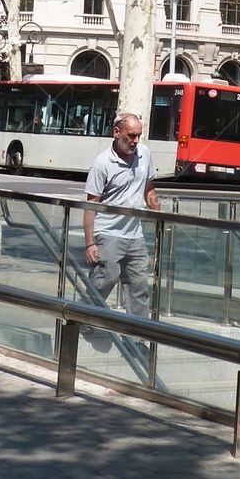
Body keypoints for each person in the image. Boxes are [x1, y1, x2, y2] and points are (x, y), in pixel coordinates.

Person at [84, 112, 160, 323]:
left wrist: (157, 209)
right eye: (131, 135)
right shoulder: (102, 163)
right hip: (108, 232)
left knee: (139, 287)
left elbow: (149, 188)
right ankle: (83, 320)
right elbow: (91, 205)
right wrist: (90, 243)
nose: (135, 141)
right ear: (116, 133)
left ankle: (138, 336)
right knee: (104, 280)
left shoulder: (144, 153)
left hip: (134, 234)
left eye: (138, 136)